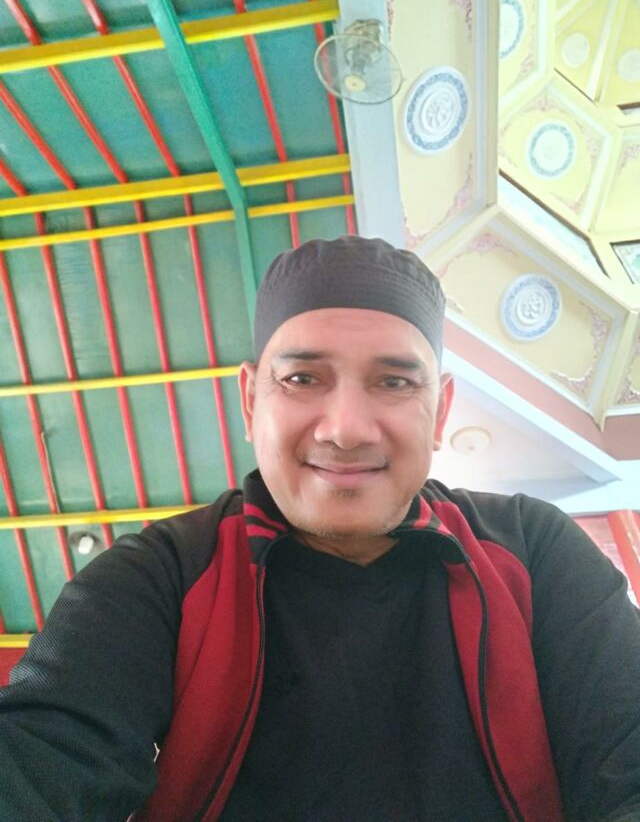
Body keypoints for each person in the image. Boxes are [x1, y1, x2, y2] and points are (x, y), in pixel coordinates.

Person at [0, 235, 639, 822]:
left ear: (440, 411)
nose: (346, 429)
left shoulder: (533, 550)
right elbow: (43, 754)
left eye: (395, 381)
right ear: (251, 400)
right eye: (302, 378)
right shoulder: (162, 575)